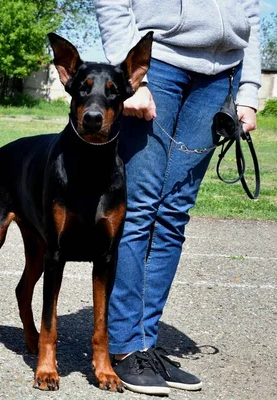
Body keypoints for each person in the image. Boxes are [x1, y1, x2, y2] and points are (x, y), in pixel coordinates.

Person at [94, 0, 261, 396]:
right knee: (138, 209)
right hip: (158, 62)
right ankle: (123, 346)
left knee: (174, 214)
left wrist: (249, 90)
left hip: (222, 74)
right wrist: (129, 73)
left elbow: (251, 12)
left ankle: (146, 344)